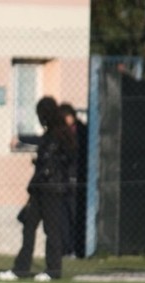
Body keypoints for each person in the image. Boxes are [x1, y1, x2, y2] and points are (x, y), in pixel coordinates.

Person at [0, 96, 76, 282]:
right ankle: (22, 268)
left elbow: (54, 158)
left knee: (51, 230)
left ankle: (53, 269)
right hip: (40, 189)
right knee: (29, 225)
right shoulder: (53, 134)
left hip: (51, 189)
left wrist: (43, 163)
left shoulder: (60, 135)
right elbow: (42, 145)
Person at [59, 103, 88, 259]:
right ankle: (67, 249)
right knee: (64, 217)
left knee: (75, 215)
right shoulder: (61, 134)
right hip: (64, 182)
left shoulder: (82, 132)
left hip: (78, 181)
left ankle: (78, 249)